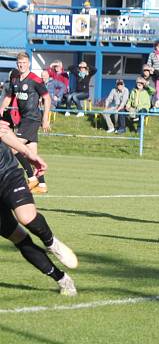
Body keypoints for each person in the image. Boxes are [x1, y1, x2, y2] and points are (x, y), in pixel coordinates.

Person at [0, 120, 77, 295]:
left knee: (26, 216)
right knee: (18, 237)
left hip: (7, 174)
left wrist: (29, 154)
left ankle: (51, 243)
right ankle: (62, 279)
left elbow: (3, 132)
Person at [0, 52, 51, 194]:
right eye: (19, 63)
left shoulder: (35, 79)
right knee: (31, 153)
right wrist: (2, 108)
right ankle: (41, 185)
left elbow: (47, 98)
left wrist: (45, 118)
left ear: (29, 63)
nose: (21, 65)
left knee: (13, 147)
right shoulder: (15, 79)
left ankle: (31, 177)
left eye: (24, 62)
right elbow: (9, 96)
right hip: (24, 119)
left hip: (32, 119)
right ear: (17, 64)